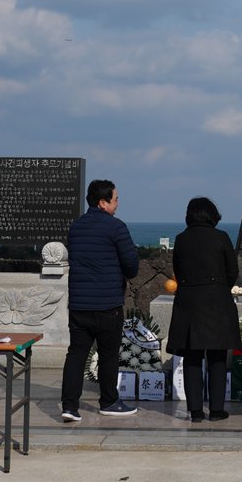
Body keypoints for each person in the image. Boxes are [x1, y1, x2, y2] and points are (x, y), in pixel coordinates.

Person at [61, 178, 139, 422]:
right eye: (115, 200)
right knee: (108, 355)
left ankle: (70, 406)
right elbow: (132, 266)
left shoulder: (76, 227)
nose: (117, 204)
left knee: (76, 354)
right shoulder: (116, 227)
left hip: (79, 305)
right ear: (103, 202)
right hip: (107, 304)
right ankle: (109, 401)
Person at [164, 197, 242, 423]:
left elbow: (178, 270)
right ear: (212, 214)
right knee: (217, 357)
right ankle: (217, 409)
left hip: (189, 302)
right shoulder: (221, 238)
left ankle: (195, 410)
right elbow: (232, 271)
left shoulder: (181, 239)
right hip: (217, 300)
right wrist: (219, 288)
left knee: (192, 358)